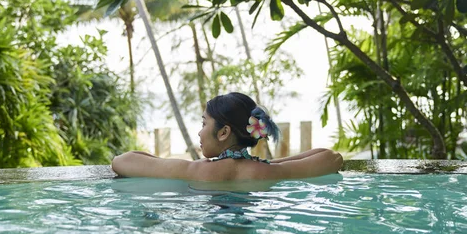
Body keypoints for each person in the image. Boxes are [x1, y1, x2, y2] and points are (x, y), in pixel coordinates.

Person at [111, 92, 343, 183]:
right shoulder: (269, 172)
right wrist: (265, 164)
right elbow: (331, 158)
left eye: (204, 123)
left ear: (223, 132)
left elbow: (121, 161)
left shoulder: (197, 170)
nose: (200, 132)